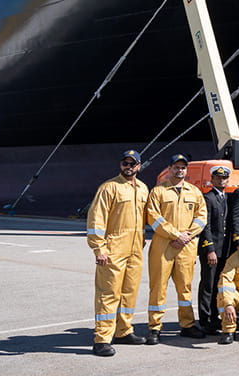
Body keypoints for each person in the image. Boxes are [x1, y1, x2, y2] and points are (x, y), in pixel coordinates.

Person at [87, 149, 149, 357]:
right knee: (108, 294)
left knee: (129, 292)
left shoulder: (142, 189)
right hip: (113, 250)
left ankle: (124, 331)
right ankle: (102, 338)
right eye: (125, 163)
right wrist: (99, 248)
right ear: (121, 165)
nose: (129, 167)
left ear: (139, 166)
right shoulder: (109, 187)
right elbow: (97, 220)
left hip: (135, 250)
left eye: (133, 163)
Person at [144, 154, 208, 344]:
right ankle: (155, 328)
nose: (179, 170)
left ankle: (187, 324)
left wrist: (187, 235)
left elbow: (201, 217)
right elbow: (153, 218)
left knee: (185, 288)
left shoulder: (195, 192)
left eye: (183, 168)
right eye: (176, 167)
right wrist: (175, 235)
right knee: (158, 288)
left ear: (186, 170)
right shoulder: (158, 192)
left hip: (186, 246)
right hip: (163, 246)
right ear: (169, 169)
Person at [198, 165, 233, 334]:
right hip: (211, 250)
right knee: (208, 285)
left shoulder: (228, 198)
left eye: (224, 178)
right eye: (218, 178)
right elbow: (205, 227)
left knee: (219, 285)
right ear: (212, 180)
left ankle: (214, 318)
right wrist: (210, 249)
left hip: (224, 250)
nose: (221, 181)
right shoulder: (208, 198)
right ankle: (205, 320)